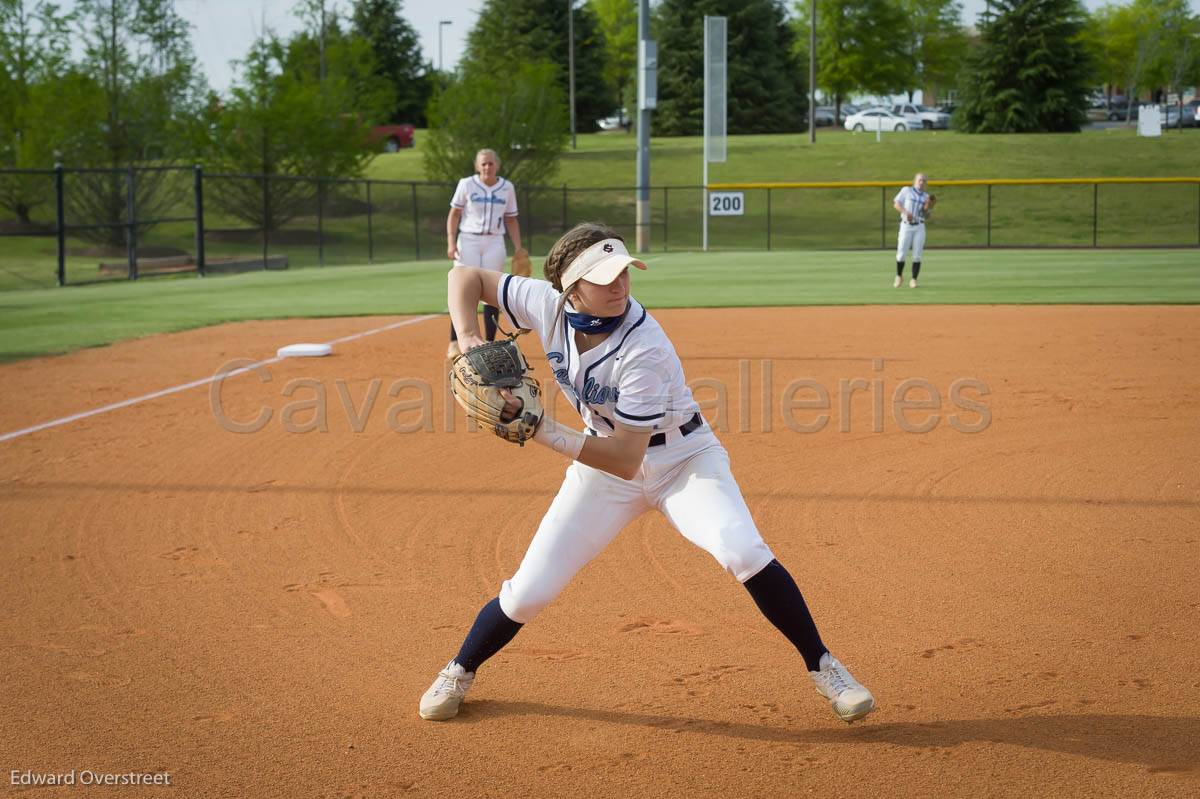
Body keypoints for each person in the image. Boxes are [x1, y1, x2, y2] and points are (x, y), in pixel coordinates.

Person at [420, 222, 876, 725]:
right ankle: (459, 670)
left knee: (742, 549)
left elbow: (625, 458)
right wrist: (465, 339)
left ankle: (825, 667)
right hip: (602, 467)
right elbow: (465, 276)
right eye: (605, 277)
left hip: (682, 461)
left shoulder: (645, 349)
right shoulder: (547, 304)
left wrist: (538, 428)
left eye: (624, 273)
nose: (620, 285)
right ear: (571, 289)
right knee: (530, 590)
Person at [445, 149, 523, 360]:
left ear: (497, 165)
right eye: (483, 164)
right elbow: (454, 214)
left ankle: (489, 342)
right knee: (461, 290)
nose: (487, 167)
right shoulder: (466, 184)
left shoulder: (506, 187)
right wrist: (451, 241)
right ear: (477, 166)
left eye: (490, 163)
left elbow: (511, 219)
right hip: (468, 239)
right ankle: (455, 342)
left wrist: (518, 248)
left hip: (494, 240)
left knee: (492, 291)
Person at [892, 173, 936, 289]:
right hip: (906, 226)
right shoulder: (906, 190)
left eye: (924, 181)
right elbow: (896, 204)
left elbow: (926, 216)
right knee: (901, 253)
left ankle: (913, 279)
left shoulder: (926, 197)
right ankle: (899, 276)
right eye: (920, 180)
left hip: (919, 227)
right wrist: (905, 212)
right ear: (915, 181)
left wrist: (928, 208)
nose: (922, 182)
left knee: (917, 255)